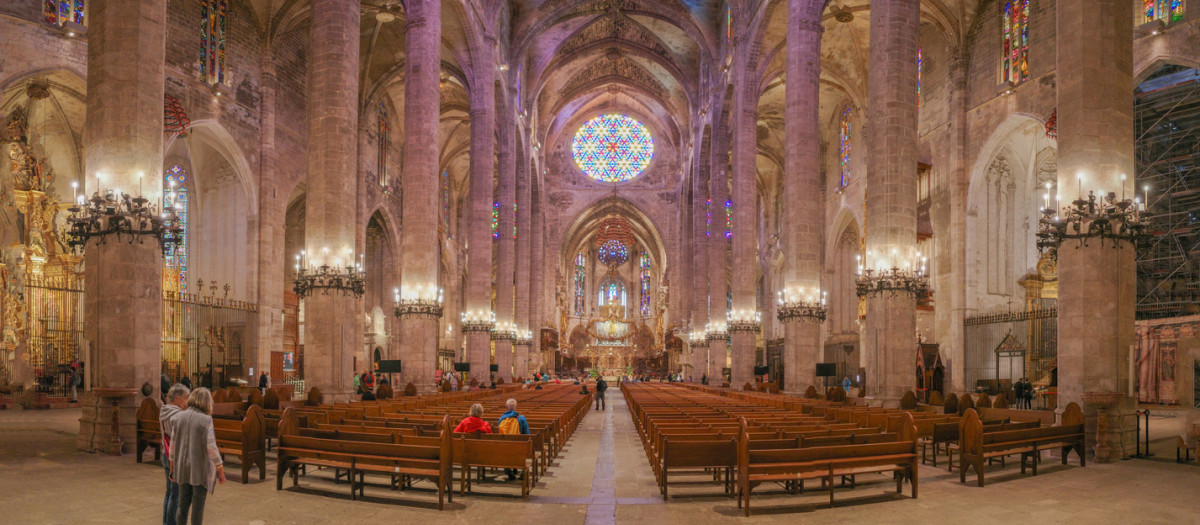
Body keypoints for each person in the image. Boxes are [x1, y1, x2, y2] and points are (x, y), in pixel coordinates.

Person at [171, 387, 225, 525]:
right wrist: (220, 469)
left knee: (182, 504)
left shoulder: (178, 417)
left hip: (182, 468)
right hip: (199, 470)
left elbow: (172, 446)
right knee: (198, 506)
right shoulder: (206, 420)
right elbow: (211, 447)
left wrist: (172, 466)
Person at [161, 384, 190, 525]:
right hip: (175, 459)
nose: (187, 401)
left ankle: (166, 522)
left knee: (169, 492)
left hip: (165, 454)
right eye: (185, 398)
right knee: (176, 495)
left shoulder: (164, 411)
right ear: (178, 398)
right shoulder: (179, 416)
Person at [497, 399, 530, 480]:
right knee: (523, 446)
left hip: (505, 448)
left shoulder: (501, 419)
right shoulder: (521, 418)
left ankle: (507, 469)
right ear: (516, 407)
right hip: (519, 447)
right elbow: (527, 434)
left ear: (506, 407)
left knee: (506, 447)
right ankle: (522, 469)